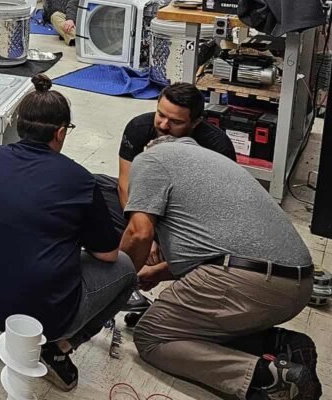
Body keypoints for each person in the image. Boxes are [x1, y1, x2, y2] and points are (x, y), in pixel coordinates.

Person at [0, 75, 136, 392]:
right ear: (60, 133)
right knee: (126, 270)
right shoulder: (80, 180)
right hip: (45, 317)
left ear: (20, 125)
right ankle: (57, 349)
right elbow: (108, 254)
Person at [122, 136, 317, 400]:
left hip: (250, 283)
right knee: (196, 325)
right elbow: (219, 246)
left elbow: (139, 234)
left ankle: (268, 377)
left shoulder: (150, 159)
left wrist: (116, 284)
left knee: (151, 335)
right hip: (299, 283)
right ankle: (280, 345)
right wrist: (159, 272)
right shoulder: (212, 164)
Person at [95, 83, 236, 237]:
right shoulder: (139, 127)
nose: (163, 125)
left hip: (188, 214)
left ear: (195, 122)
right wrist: (140, 230)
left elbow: (218, 208)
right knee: (91, 186)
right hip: (147, 198)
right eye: (161, 114)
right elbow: (125, 184)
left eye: (176, 122)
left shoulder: (218, 147)